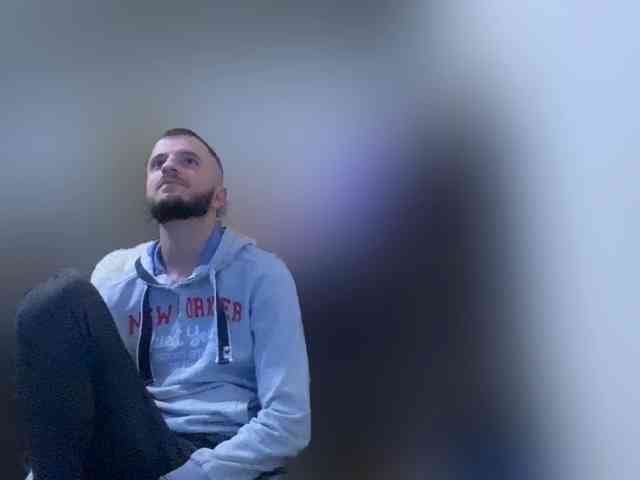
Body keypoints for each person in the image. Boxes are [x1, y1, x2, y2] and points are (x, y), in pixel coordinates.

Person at [16, 128, 311, 479]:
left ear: (219, 198)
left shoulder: (263, 275)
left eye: (188, 161)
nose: (169, 167)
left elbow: (288, 421)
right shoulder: (115, 274)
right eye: (158, 163)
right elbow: (73, 391)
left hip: (225, 453)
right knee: (56, 300)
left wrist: (194, 475)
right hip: (140, 438)